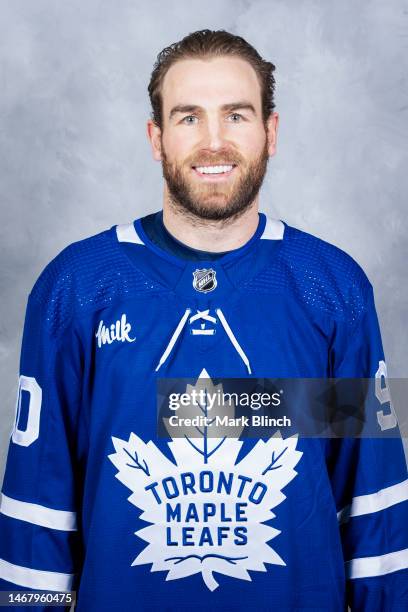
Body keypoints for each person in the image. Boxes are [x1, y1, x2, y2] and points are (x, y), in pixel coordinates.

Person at [0, 28, 407, 611]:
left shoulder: (332, 287)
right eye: (188, 117)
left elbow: (373, 504)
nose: (214, 141)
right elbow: (37, 508)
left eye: (236, 115)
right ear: (156, 137)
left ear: (271, 131)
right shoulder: (76, 287)